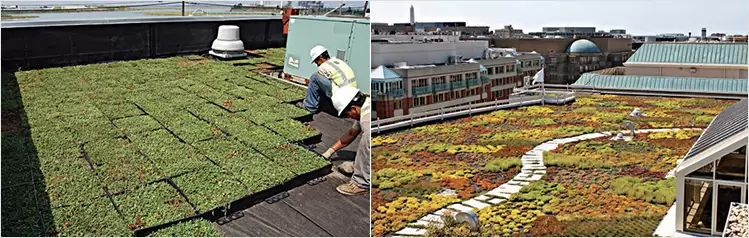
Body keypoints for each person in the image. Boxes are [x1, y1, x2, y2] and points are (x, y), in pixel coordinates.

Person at [322, 86, 370, 196]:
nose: (349, 118)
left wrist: (361, 172)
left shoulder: (367, 122)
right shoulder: (365, 107)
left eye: (347, 115)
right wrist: (329, 152)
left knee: (366, 142)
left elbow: (368, 149)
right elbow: (351, 134)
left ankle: (360, 184)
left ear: (353, 109)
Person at [303, 45, 358, 115]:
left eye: (316, 62)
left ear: (320, 58)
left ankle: (310, 107)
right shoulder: (338, 61)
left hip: (343, 98)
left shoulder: (323, 67)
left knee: (314, 77)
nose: (317, 65)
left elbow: (322, 85)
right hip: (353, 95)